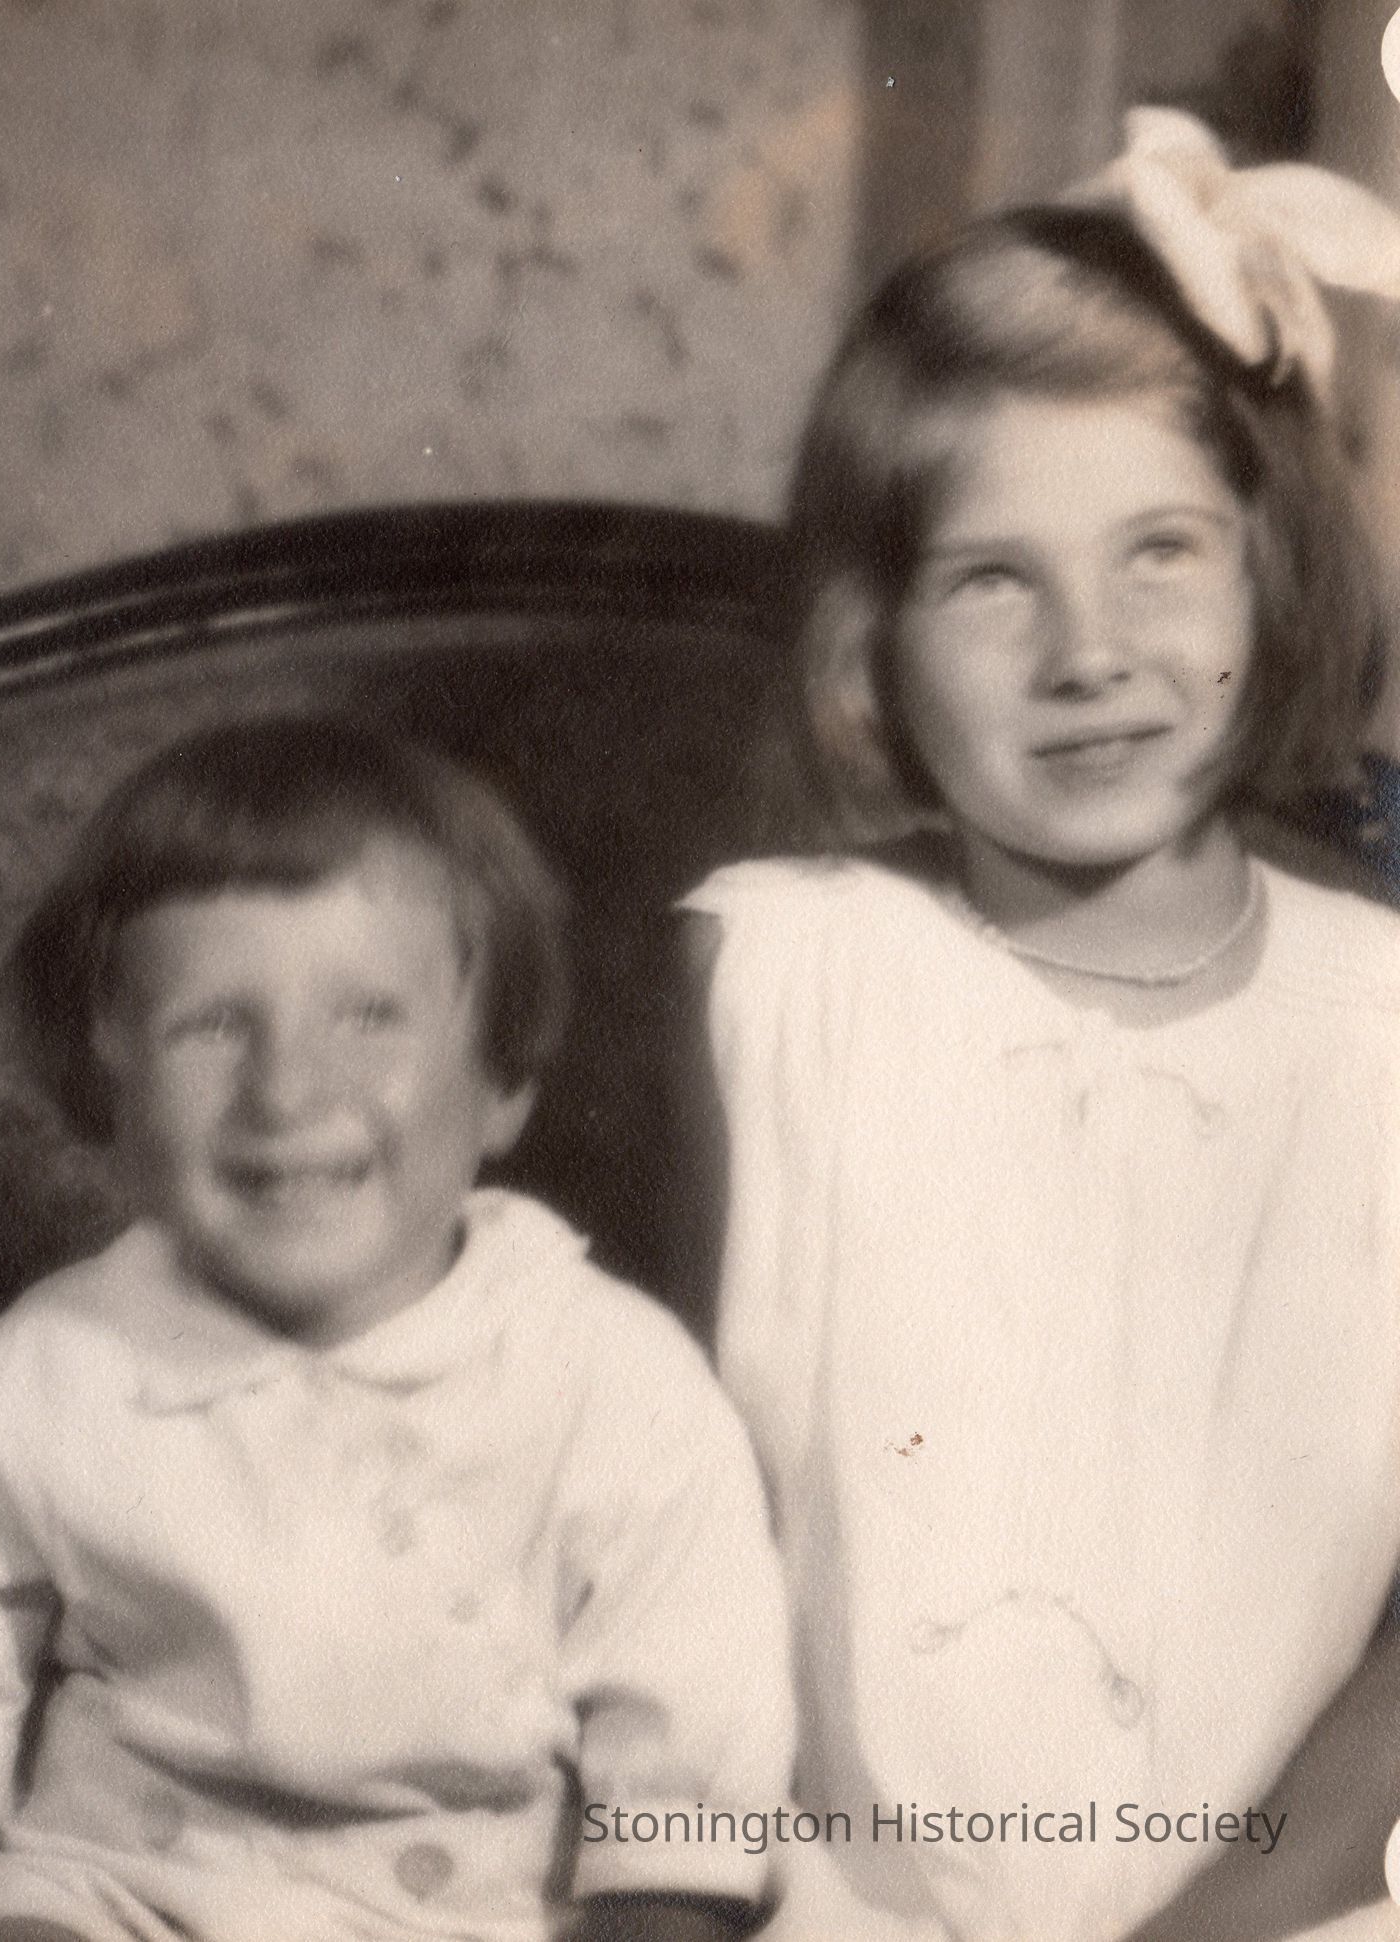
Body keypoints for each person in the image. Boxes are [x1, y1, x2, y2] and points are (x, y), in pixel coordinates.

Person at [682, 110, 1400, 1942]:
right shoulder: (773, 983)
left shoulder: (1384, 1022)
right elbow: (614, 1537)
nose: (1090, 650)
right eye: (993, 579)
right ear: (874, 640)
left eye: (1161, 551)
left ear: (1273, 570)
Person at [0, 717, 795, 1942]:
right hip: (120, 1892)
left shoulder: (612, 1382)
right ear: (108, 1078)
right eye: (213, 1024)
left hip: (472, 1916)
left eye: (369, 1016)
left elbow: (687, 1790)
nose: (287, 1091)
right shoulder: (50, 1371)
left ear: (504, 1080)